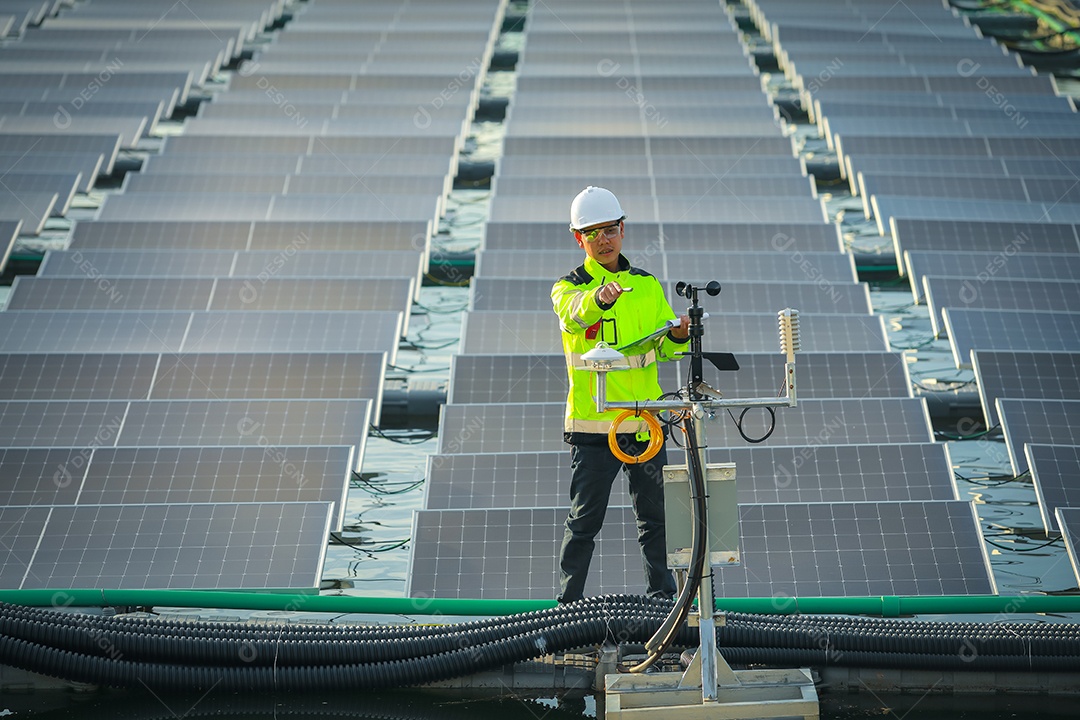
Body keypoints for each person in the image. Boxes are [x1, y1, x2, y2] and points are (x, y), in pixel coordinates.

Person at [551, 186, 690, 604]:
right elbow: (575, 314)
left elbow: (663, 347)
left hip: (644, 425)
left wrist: (679, 335)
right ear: (579, 239)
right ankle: (567, 609)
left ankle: (662, 601)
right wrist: (599, 297)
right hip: (594, 430)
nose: (604, 240)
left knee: (656, 519)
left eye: (610, 229)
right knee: (583, 522)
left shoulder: (646, 285)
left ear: (623, 229)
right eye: (592, 233)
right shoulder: (567, 288)